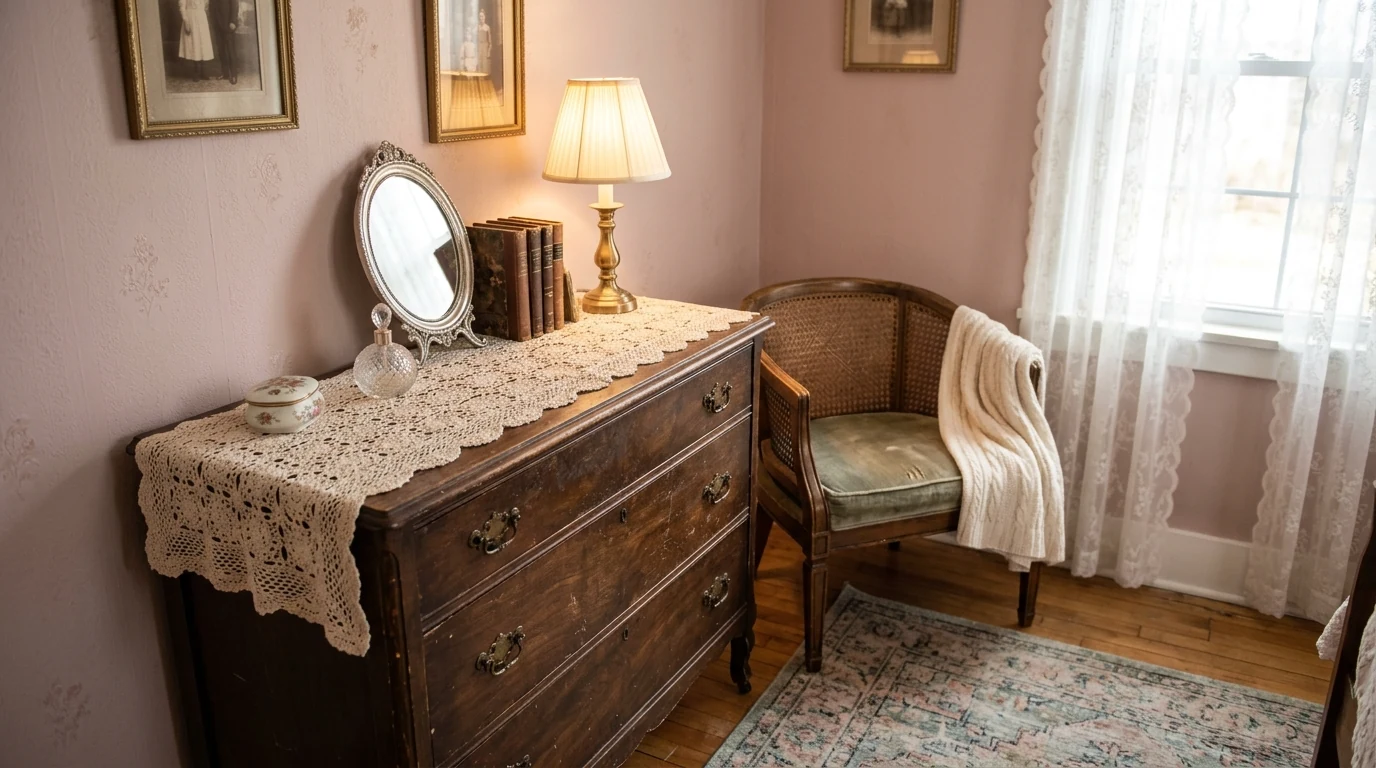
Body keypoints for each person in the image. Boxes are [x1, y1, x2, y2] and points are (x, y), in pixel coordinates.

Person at [178, 0, 215, 81]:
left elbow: (206, 6)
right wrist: (186, 21)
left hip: (202, 19)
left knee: (203, 44)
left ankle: (204, 71)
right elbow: (182, 7)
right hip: (191, 19)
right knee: (194, 44)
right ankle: (196, 72)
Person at [209, 0, 239, 85]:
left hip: (228, 24)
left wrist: (233, 21)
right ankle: (225, 73)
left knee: (230, 50)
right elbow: (211, 6)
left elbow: (234, 5)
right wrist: (213, 21)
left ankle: (234, 74)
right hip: (217, 25)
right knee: (221, 50)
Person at [478, 8, 492, 74]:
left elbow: (490, 41)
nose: (481, 18)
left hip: (485, 46)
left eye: (482, 16)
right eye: (480, 16)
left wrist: (488, 51)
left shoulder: (487, 27)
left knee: (485, 63)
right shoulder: (477, 27)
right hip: (479, 46)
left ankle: (484, 76)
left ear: (485, 17)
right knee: (479, 62)